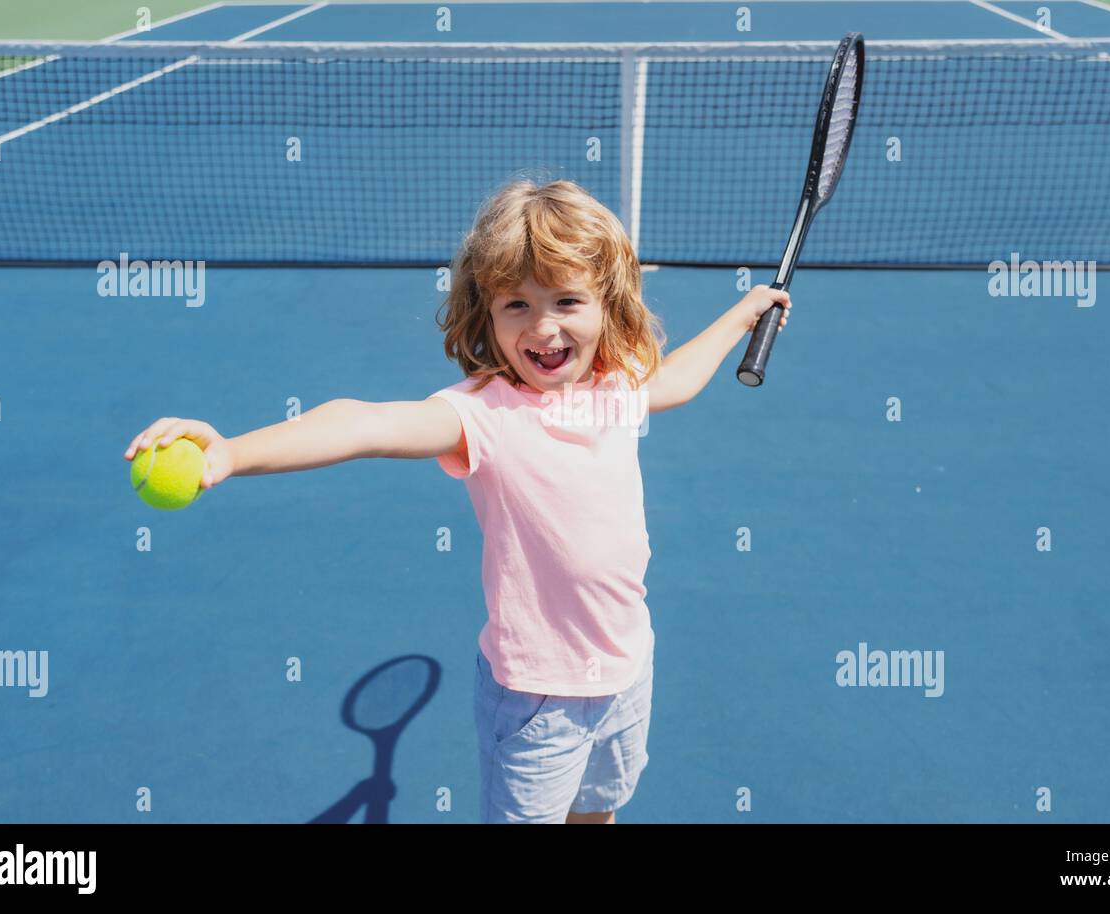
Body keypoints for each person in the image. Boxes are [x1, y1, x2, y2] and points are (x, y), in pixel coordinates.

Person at [123, 178, 790, 823]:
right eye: (517, 306)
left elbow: (672, 382)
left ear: (607, 305)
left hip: (626, 667)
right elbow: (363, 422)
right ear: (488, 315)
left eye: (566, 301)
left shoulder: (614, 388)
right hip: (538, 694)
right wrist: (235, 451)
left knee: (597, 808)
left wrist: (743, 313)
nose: (544, 328)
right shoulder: (482, 416)